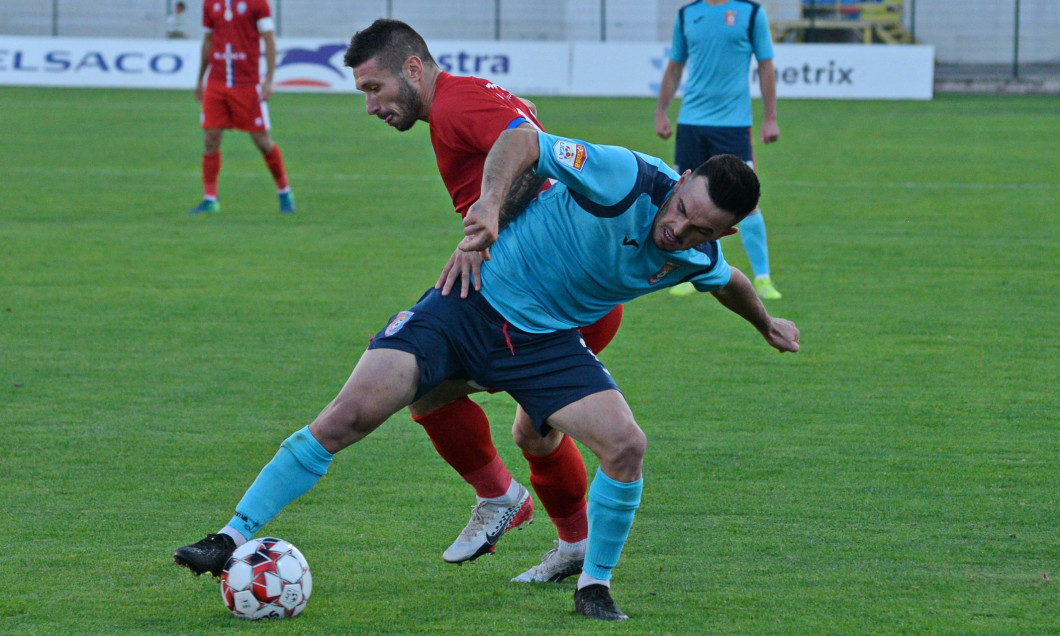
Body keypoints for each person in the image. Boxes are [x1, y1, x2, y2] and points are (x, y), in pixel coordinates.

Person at [173, 126, 800, 621]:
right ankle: (230, 537)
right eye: (683, 207)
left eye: (701, 228)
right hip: (469, 301)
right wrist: (491, 208)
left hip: (545, 342)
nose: (678, 227)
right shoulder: (623, 176)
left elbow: (729, 282)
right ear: (682, 178)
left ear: (727, 230)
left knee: (625, 444)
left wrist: (765, 323)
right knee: (350, 415)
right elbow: (524, 139)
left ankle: (595, 584)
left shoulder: (697, 252)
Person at [342, 19, 626, 581]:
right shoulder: (467, 97)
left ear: (414, 69)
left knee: (421, 378)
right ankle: (572, 543)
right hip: (564, 289)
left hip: (540, 295)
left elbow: (531, 154)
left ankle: (502, 498)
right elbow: (525, 128)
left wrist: (486, 223)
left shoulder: (454, 105)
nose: (371, 106)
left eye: (374, 89)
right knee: (532, 430)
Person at [655, 0, 782, 300]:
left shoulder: (750, 13)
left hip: (733, 124)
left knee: (747, 203)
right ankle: (681, 270)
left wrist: (771, 117)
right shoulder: (688, 14)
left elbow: (766, 66)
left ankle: (762, 278)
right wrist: (662, 110)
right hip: (691, 124)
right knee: (681, 197)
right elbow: (675, 67)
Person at [188, 0, 295, 215]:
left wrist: (269, 80)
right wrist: (200, 79)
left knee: (262, 140)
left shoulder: (258, 3)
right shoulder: (210, 4)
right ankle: (210, 199)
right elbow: (207, 41)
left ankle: (284, 192)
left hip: (247, 85)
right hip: (216, 83)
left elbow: (269, 40)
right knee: (211, 137)